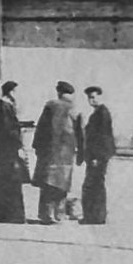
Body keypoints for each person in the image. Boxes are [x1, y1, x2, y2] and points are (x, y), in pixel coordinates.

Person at [32, 81, 84, 224]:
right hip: (66, 153)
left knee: (48, 184)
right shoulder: (74, 110)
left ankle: (46, 215)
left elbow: (40, 129)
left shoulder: (50, 106)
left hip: (49, 152)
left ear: (59, 93)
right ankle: (59, 214)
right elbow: (81, 133)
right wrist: (81, 153)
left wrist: (37, 147)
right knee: (62, 184)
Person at [0, 81, 27, 224]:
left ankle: (1, 215)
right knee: (11, 181)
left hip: (2, 149)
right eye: (16, 92)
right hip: (7, 150)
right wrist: (19, 145)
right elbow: (8, 130)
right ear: (11, 92)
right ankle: (11, 216)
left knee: (3, 181)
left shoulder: (0, 106)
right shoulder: (3, 107)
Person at [80, 85, 116, 225]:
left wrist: (96, 156)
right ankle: (94, 216)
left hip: (98, 157)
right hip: (96, 156)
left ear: (100, 97)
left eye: (94, 97)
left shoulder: (102, 113)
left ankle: (95, 217)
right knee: (94, 185)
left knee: (94, 186)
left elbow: (102, 137)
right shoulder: (97, 113)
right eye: (89, 98)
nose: (91, 100)